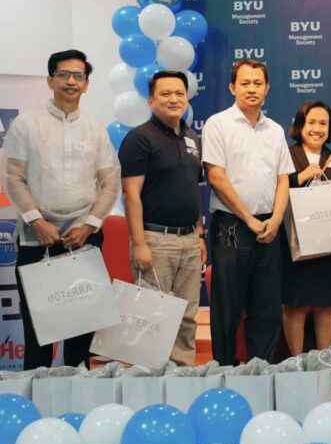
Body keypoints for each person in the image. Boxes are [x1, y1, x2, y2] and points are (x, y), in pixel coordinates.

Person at [4, 49, 120, 369]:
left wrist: (90, 224)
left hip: (83, 239)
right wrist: (37, 221)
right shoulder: (27, 125)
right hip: (37, 240)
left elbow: (110, 183)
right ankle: (38, 406)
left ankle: (78, 403)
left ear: (86, 85)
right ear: (50, 80)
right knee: (39, 334)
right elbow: (12, 178)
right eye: (64, 74)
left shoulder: (96, 129)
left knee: (81, 334)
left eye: (78, 76)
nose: (71, 81)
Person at [202, 59, 294, 366]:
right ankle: (225, 369)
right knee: (227, 307)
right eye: (245, 83)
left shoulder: (276, 129)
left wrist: (276, 218)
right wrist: (249, 219)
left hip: (270, 226)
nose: (251, 89)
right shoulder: (218, 124)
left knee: (267, 308)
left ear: (267, 89)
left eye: (258, 83)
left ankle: (261, 370)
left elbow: (283, 178)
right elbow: (216, 177)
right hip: (232, 227)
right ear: (232, 87)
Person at [119, 70, 205, 366]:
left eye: (179, 93)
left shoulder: (192, 137)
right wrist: (139, 243)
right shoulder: (139, 138)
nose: (173, 99)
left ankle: (181, 379)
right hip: (155, 240)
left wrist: (200, 234)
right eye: (165, 94)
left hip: (189, 241)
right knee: (151, 318)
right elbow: (131, 194)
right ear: (150, 100)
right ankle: (148, 383)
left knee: (187, 317)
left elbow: (192, 189)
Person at [281, 100, 331, 356]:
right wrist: (300, 176)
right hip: (292, 244)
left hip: (327, 246)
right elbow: (274, 191)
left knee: (325, 305)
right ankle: (297, 363)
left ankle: (324, 364)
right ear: (300, 125)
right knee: (294, 306)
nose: (317, 128)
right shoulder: (285, 155)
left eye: (323, 123)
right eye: (311, 122)